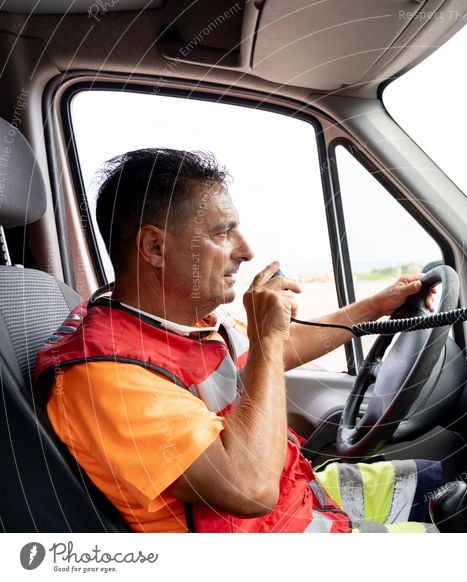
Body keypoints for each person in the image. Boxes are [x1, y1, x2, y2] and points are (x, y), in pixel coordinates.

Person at [35, 148, 443, 533]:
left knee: (438, 476)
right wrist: (266, 338)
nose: (246, 251)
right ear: (154, 247)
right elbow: (249, 490)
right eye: (222, 233)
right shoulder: (108, 377)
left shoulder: (177, 321)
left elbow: (273, 352)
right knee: (459, 522)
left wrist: (374, 307)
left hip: (300, 496)